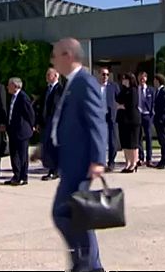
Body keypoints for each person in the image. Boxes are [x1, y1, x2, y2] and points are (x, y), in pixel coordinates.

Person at [49, 38, 108, 272]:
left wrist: (98, 159)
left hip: (81, 163)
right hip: (71, 161)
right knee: (77, 215)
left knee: (64, 212)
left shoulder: (85, 82)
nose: (53, 61)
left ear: (68, 56)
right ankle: (89, 264)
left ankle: (87, 264)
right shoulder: (72, 83)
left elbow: (97, 121)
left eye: (55, 55)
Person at [6, 77, 36, 186]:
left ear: (15, 86)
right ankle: (16, 175)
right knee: (14, 154)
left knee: (22, 155)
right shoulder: (12, 97)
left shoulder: (23, 97)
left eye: (9, 85)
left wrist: (31, 125)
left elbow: (30, 113)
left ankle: (23, 177)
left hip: (22, 131)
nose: (7, 87)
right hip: (13, 130)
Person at [38, 67, 63, 181]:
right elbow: (41, 106)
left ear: (56, 76)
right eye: (47, 75)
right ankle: (51, 169)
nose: (47, 77)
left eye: (49, 75)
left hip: (56, 123)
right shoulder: (46, 90)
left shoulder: (61, 89)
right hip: (45, 122)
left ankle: (55, 171)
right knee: (47, 147)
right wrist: (38, 122)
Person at [115, 73, 141, 173]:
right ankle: (127, 163)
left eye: (125, 79)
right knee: (125, 143)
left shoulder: (134, 90)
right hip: (123, 119)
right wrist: (124, 88)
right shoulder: (124, 90)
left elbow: (131, 105)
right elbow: (118, 99)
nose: (123, 80)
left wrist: (121, 106)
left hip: (132, 120)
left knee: (132, 143)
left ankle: (134, 163)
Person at [98, 68, 119, 172]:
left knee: (112, 140)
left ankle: (111, 162)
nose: (105, 76)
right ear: (99, 75)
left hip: (111, 116)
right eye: (103, 74)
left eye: (107, 74)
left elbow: (120, 99)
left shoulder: (113, 86)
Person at [136, 72, 155, 167]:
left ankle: (149, 158)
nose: (141, 80)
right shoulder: (136, 89)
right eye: (140, 78)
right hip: (138, 114)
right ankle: (140, 157)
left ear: (146, 79)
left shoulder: (150, 90)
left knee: (148, 137)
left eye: (143, 78)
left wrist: (152, 113)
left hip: (147, 115)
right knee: (139, 137)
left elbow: (153, 103)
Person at [153, 74, 165, 169]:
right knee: (161, 141)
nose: (154, 82)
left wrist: (164, 118)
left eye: (155, 80)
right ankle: (163, 159)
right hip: (157, 119)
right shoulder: (158, 91)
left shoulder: (164, 92)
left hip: (162, 120)